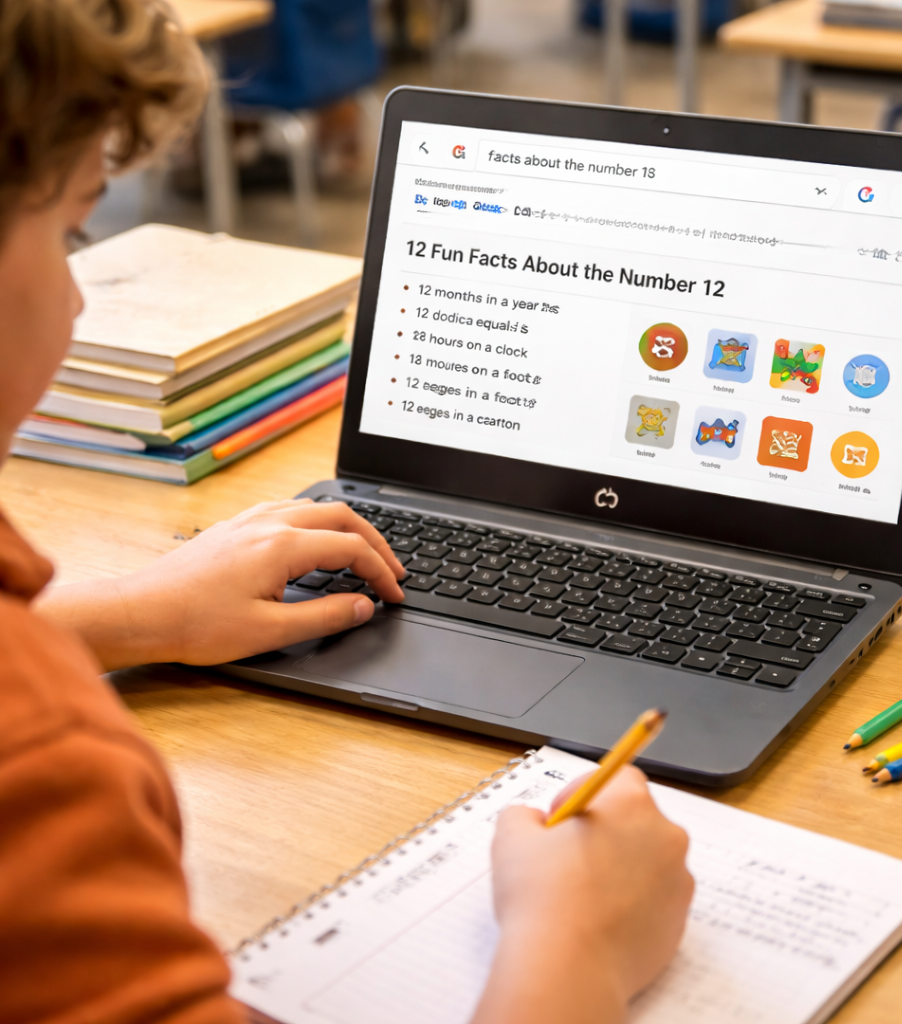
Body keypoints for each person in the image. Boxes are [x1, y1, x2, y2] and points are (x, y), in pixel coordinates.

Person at [0, 2, 695, 1022]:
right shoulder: (43, 767)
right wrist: (573, 945)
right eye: (69, 228)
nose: (77, 299)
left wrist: (129, 615)